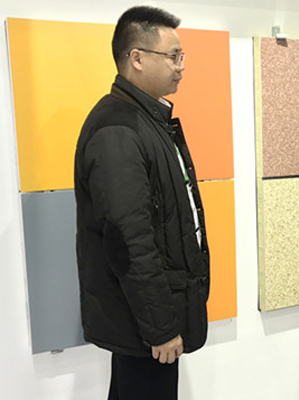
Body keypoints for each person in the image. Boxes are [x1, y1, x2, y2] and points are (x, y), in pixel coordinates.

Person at [74, 6, 209, 400]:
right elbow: (130, 241)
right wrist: (161, 327)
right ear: (136, 57)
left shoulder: (144, 120)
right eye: (173, 56)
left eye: (181, 56)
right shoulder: (118, 130)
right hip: (144, 326)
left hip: (143, 321)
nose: (181, 66)